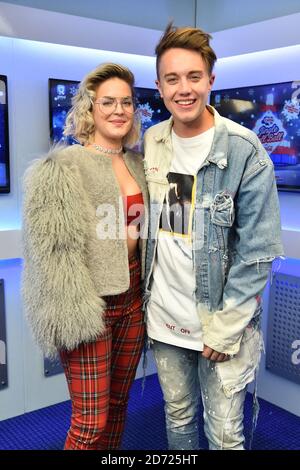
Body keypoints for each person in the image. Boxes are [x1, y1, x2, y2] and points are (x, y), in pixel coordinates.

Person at [143, 23, 283, 450]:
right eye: (172, 79)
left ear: (210, 80)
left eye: (193, 77)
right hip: (165, 321)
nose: (183, 89)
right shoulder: (153, 140)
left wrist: (224, 331)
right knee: (179, 420)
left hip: (220, 327)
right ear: (159, 86)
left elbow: (257, 253)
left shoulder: (244, 149)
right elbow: (173, 227)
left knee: (224, 437)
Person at [22, 63, 148, 450]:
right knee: (90, 423)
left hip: (133, 300)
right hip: (86, 306)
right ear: (88, 108)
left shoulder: (138, 163)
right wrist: (77, 309)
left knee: (118, 406)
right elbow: (51, 256)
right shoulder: (62, 166)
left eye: (126, 102)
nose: (118, 110)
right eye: (107, 101)